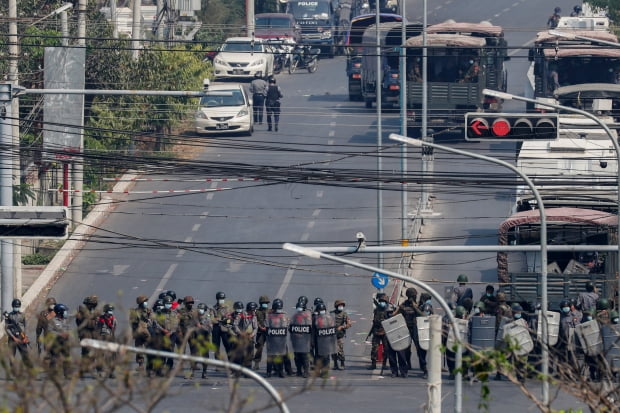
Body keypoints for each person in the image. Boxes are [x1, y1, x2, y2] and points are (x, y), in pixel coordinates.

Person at [393, 288, 427, 378]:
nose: (414, 297)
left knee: (420, 349)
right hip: (406, 328)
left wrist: (415, 307)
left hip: (416, 329)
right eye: (412, 296)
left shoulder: (419, 305)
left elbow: (423, 315)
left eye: (414, 296)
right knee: (405, 349)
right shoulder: (403, 305)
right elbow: (395, 315)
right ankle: (406, 367)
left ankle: (424, 369)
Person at [76, 295, 101, 376]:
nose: (94, 306)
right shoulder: (82, 313)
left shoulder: (92, 313)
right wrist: (94, 319)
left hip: (94, 335)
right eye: (92, 304)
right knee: (87, 353)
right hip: (86, 336)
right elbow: (89, 324)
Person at [4, 298, 32, 369]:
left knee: (25, 355)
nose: (16, 308)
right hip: (12, 338)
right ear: (12, 306)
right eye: (15, 306)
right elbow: (7, 328)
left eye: (17, 306)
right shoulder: (9, 316)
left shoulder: (22, 315)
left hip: (21, 337)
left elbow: (26, 326)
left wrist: (26, 337)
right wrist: (13, 337)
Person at [46, 303, 72, 378]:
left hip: (65, 342)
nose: (66, 313)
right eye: (64, 311)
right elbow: (50, 331)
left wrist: (68, 333)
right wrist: (59, 334)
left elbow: (69, 329)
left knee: (67, 357)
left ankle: (67, 374)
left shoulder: (65, 320)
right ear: (60, 312)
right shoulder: (52, 321)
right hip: (56, 342)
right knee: (54, 358)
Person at [290, 297, 313, 377]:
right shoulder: (294, 316)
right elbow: (291, 327)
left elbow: (309, 328)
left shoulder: (307, 316)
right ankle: (299, 370)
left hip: (305, 339)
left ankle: (306, 371)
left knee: (305, 356)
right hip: (296, 340)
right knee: (297, 356)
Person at [266, 298, 289, 378]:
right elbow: (267, 325)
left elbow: (286, 325)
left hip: (281, 339)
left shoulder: (284, 315)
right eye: (277, 308)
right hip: (271, 338)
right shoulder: (269, 315)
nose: (278, 310)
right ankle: (268, 372)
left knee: (281, 356)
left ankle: (280, 372)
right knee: (270, 356)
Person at [366, 293, 390, 371]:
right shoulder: (376, 310)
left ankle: (384, 364)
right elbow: (374, 321)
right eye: (381, 301)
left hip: (385, 332)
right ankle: (373, 364)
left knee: (386, 349)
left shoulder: (388, 311)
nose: (382, 303)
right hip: (376, 332)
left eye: (383, 301)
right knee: (374, 349)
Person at [179, 296, 201, 378]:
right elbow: (177, 322)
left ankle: (192, 369)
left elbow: (200, 321)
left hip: (193, 334)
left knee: (194, 352)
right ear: (185, 304)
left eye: (192, 303)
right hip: (184, 333)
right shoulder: (181, 312)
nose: (190, 304)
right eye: (188, 303)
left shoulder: (195, 312)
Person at [95, 304, 117, 378]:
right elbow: (97, 330)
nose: (110, 312)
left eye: (111, 311)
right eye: (109, 311)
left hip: (110, 339)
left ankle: (111, 372)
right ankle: (100, 371)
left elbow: (113, 330)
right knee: (100, 355)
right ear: (105, 312)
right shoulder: (100, 319)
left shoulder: (114, 319)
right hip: (102, 339)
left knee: (111, 356)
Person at [130, 295, 152, 371]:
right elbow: (132, 323)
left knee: (149, 348)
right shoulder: (135, 312)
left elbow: (151, 320)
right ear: (141, 303)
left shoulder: (148, 311)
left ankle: (150, 365)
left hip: (146, 331)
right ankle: (140, 365)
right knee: (139, 349)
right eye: (144, 302)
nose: (146, 303)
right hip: (138, 332)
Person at [331, 299, 352, 370]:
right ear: (336, 306)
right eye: (340, 305)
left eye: (342, 306)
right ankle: (335, 364)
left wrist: (342, 327)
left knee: (340, 349)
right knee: (333, 350)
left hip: (339, 334)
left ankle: (342, 363)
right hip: (331, 334)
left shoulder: (344, 314)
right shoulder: (331, 313)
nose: (341, 307)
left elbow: (349, 324)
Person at [194, 302, 213, 378]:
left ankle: (204, 372)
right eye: (199, 309)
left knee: (205, 356)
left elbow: (210, 327)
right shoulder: (195, 317)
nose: (200, 310)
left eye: (202, 309)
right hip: (196, 338)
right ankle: (192, 371)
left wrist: (202, 326)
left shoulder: (208, 317)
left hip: (205, 338)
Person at [211, 291, 230, 361]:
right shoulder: (213, 308)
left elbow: (229, 318)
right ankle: (218, 363)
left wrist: (219, 319)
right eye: (220, 298)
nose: (221, 300)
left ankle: (231, 362)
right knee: (216, 346)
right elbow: (212, 319)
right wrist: (222, 318)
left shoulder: (227, 308)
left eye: (222, 298)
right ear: (217, 299)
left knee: (228, 345)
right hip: (216, 329)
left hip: (225, 328)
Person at [253, 295, 270, 370]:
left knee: (272, 348)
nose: (265, 304)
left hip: (269, 332)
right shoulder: (257, 312)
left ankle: (273, 365)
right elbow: (254, 321)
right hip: (260, 332)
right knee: (259, 347)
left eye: (266, 303)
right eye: (264, 303)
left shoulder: (270, 311)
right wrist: (260, 327)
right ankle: (256, 363)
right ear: (260, 303)